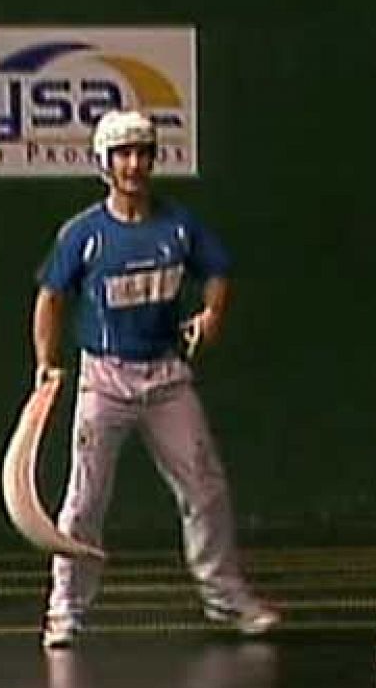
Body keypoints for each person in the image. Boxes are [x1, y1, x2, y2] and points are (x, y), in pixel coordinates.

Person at [32, 109, 278, 648]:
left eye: (143, 153)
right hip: (104, 379)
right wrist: (47, 363)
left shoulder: (179, 226)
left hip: (167, 377)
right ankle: (66, 609)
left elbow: (218, 273)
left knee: (206, 487)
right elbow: (51, 298)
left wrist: (213, 314)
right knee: (84, 502)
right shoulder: (84, 234)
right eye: (123, 154)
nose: (134, 164)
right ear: (104, 163)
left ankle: (224, 596)